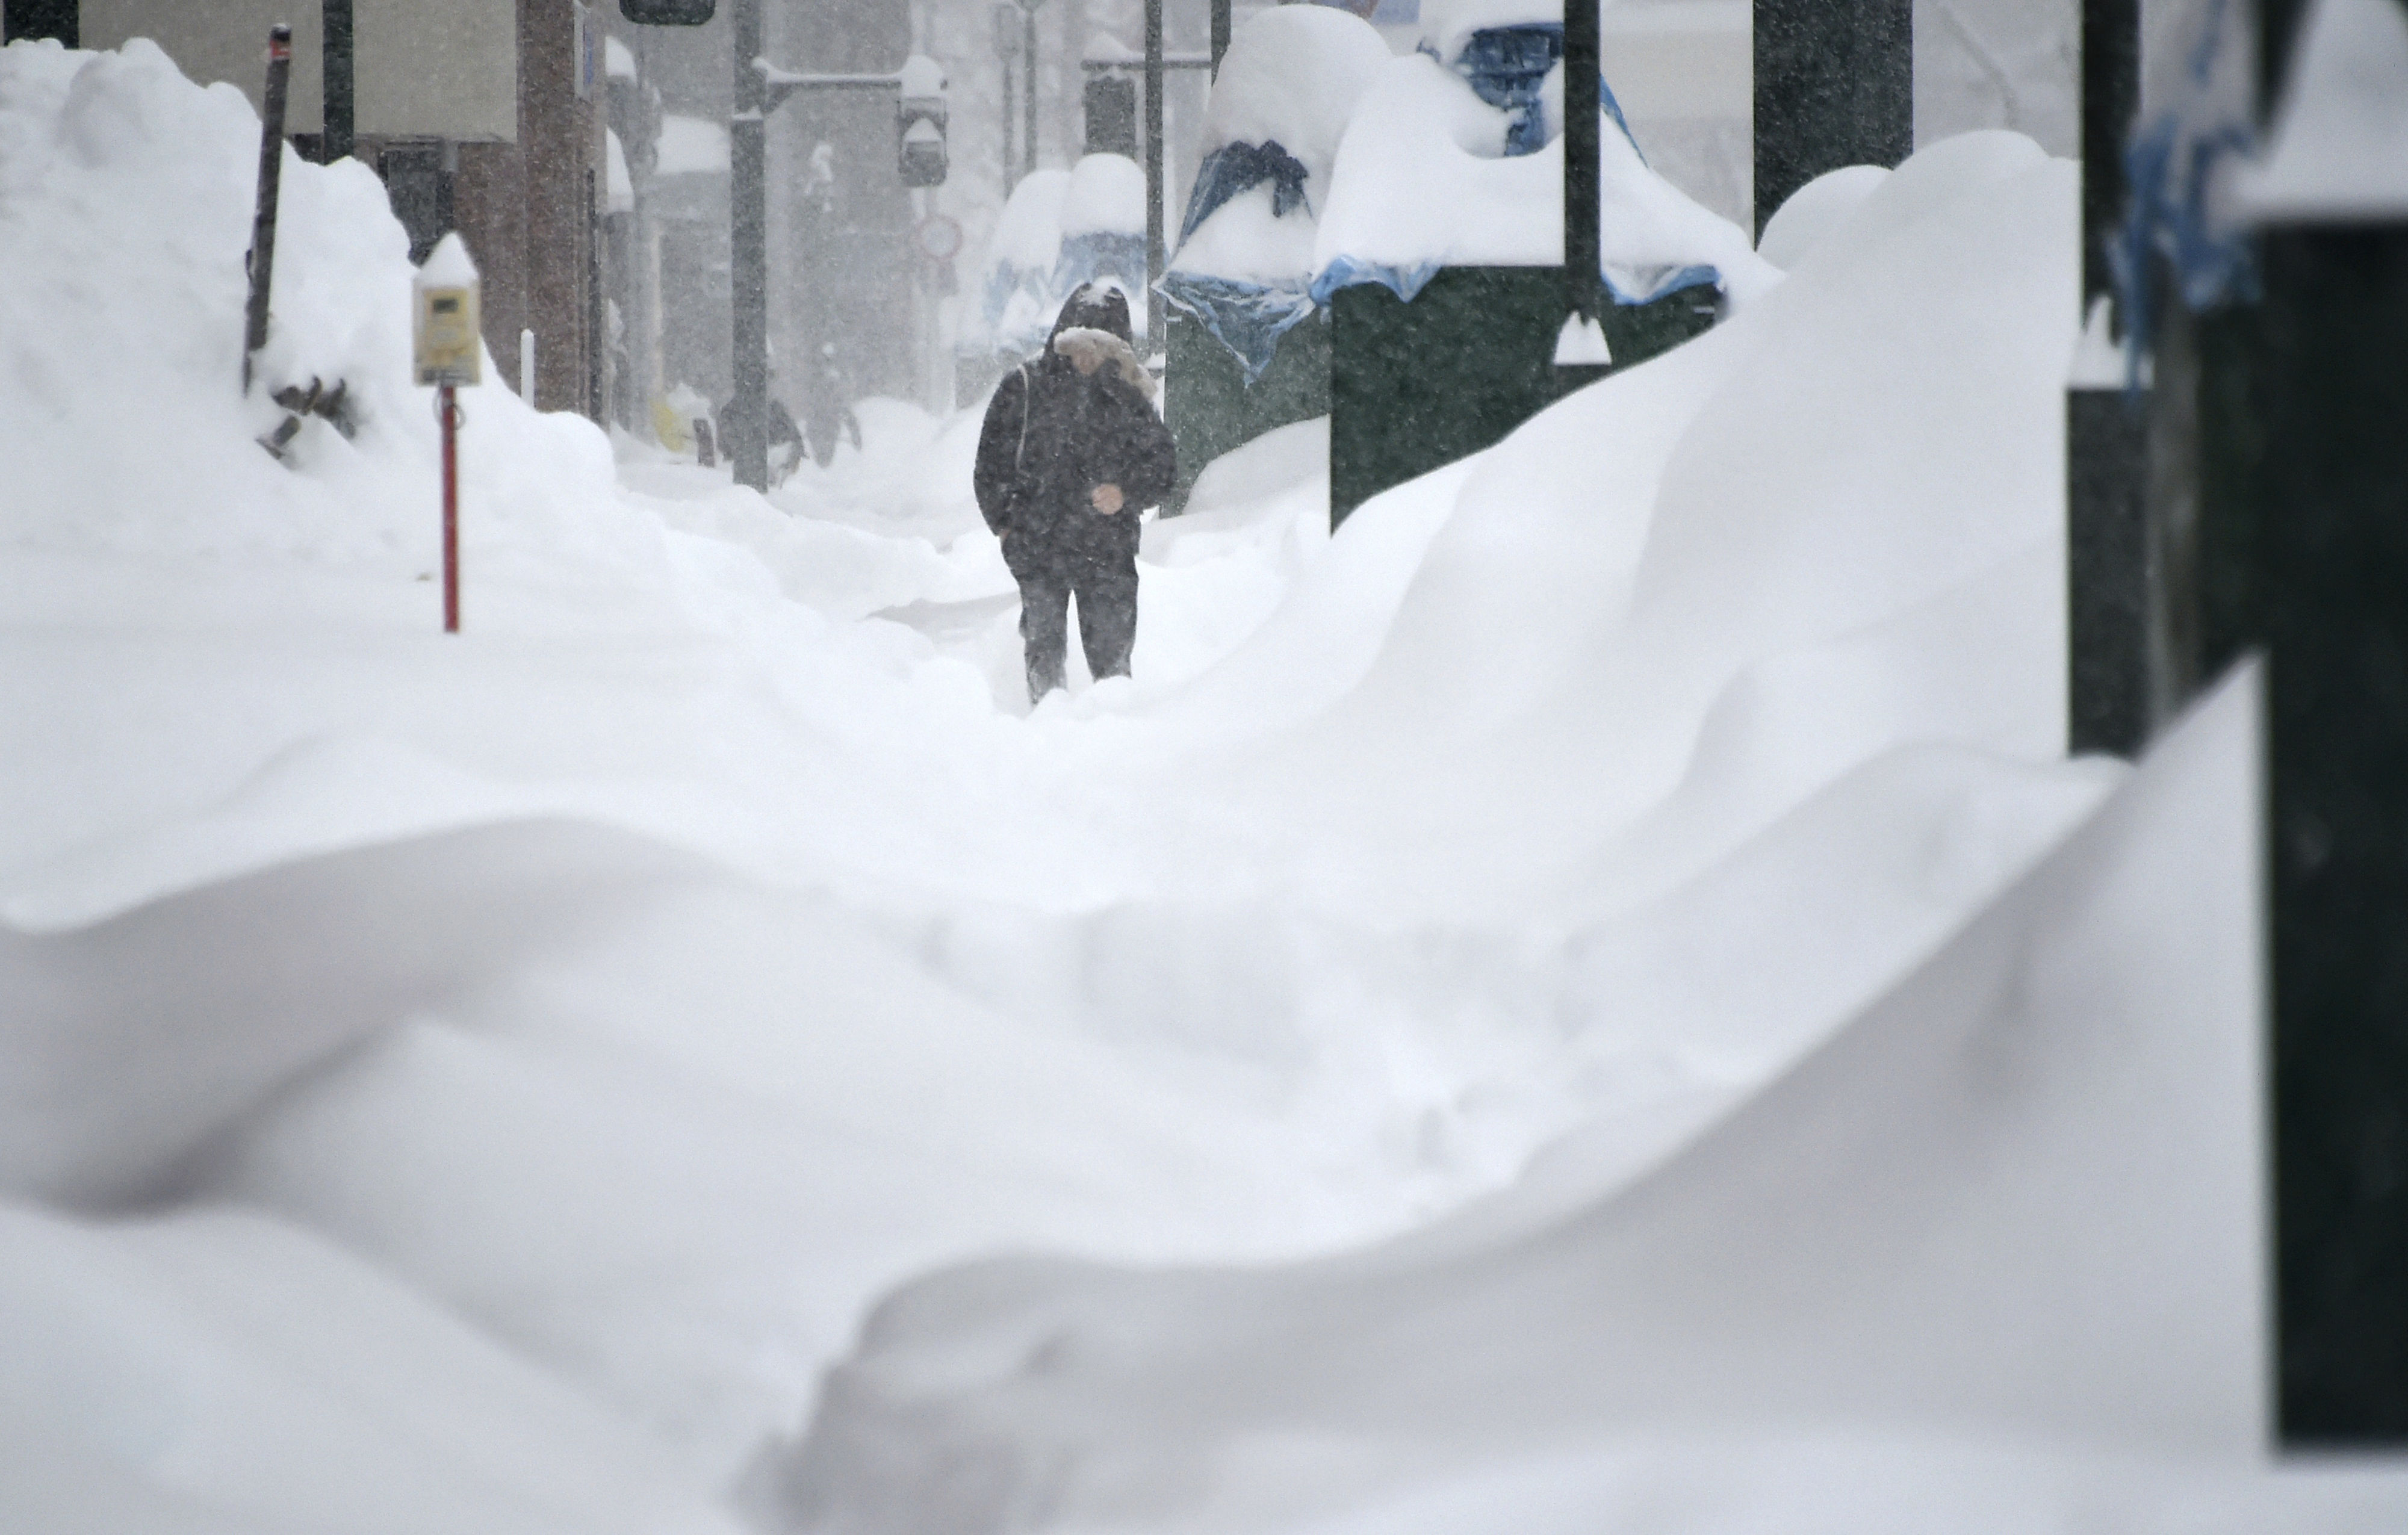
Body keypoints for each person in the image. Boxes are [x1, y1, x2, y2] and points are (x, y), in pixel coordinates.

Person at [973, 285, 1175, 702]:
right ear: (1060, 340)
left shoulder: (1129, 397)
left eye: (1099, 348)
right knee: (1044, 655)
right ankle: (1047, 733)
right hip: (1039, 547)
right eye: (1077, 345)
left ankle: (1114, 736)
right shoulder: (1024, 387)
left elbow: (1163, 469)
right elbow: (990, 467)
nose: (1086, 357)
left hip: (1108, 551)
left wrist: (1126, 492)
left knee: (1114, 666)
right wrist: (1009, 528)